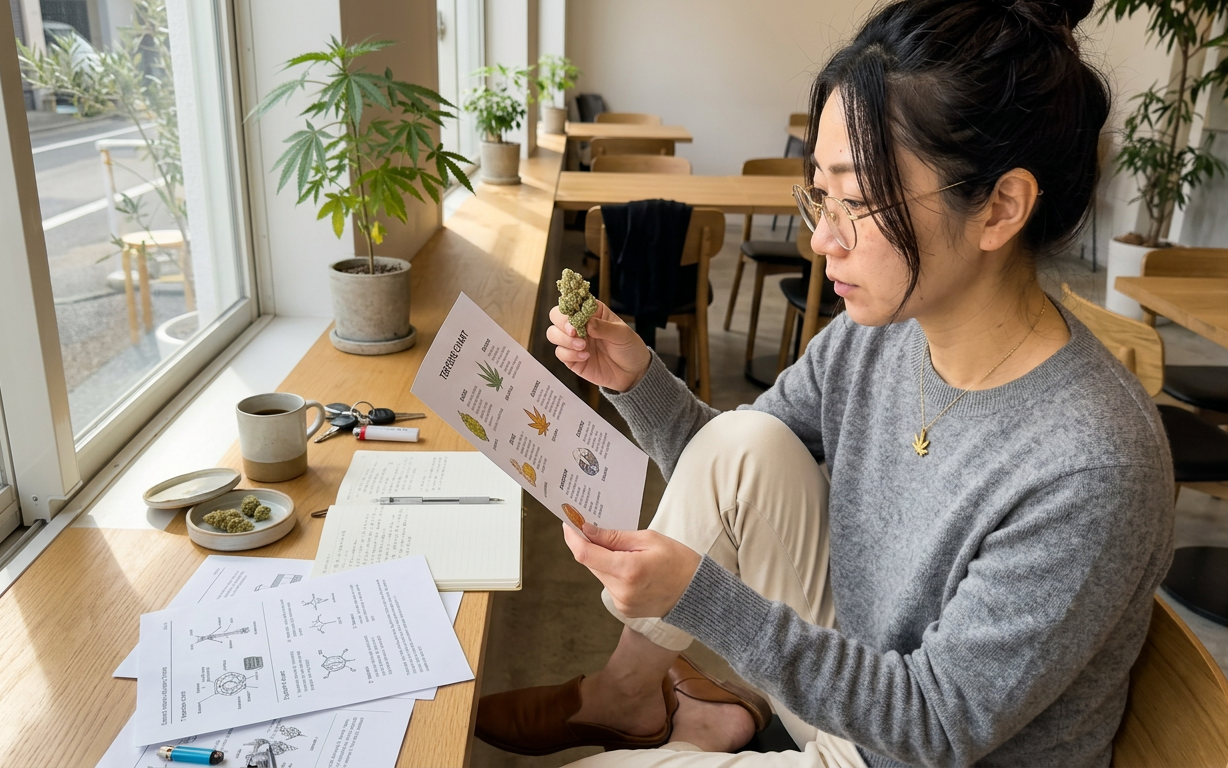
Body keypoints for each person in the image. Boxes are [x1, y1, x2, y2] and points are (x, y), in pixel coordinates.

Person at [476, 0, 1174, 765]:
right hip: (865, 688)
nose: (820, 237)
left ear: (1000, 208)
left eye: (859, 199)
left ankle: (706, 723)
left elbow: (937, 727)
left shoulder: (1090, 462)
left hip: (913, 745)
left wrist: (702, 598)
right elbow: (722, 480)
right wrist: (639, 380)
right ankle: (632, 698)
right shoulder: (882, 337)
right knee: (746, 440)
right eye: (820, 193)